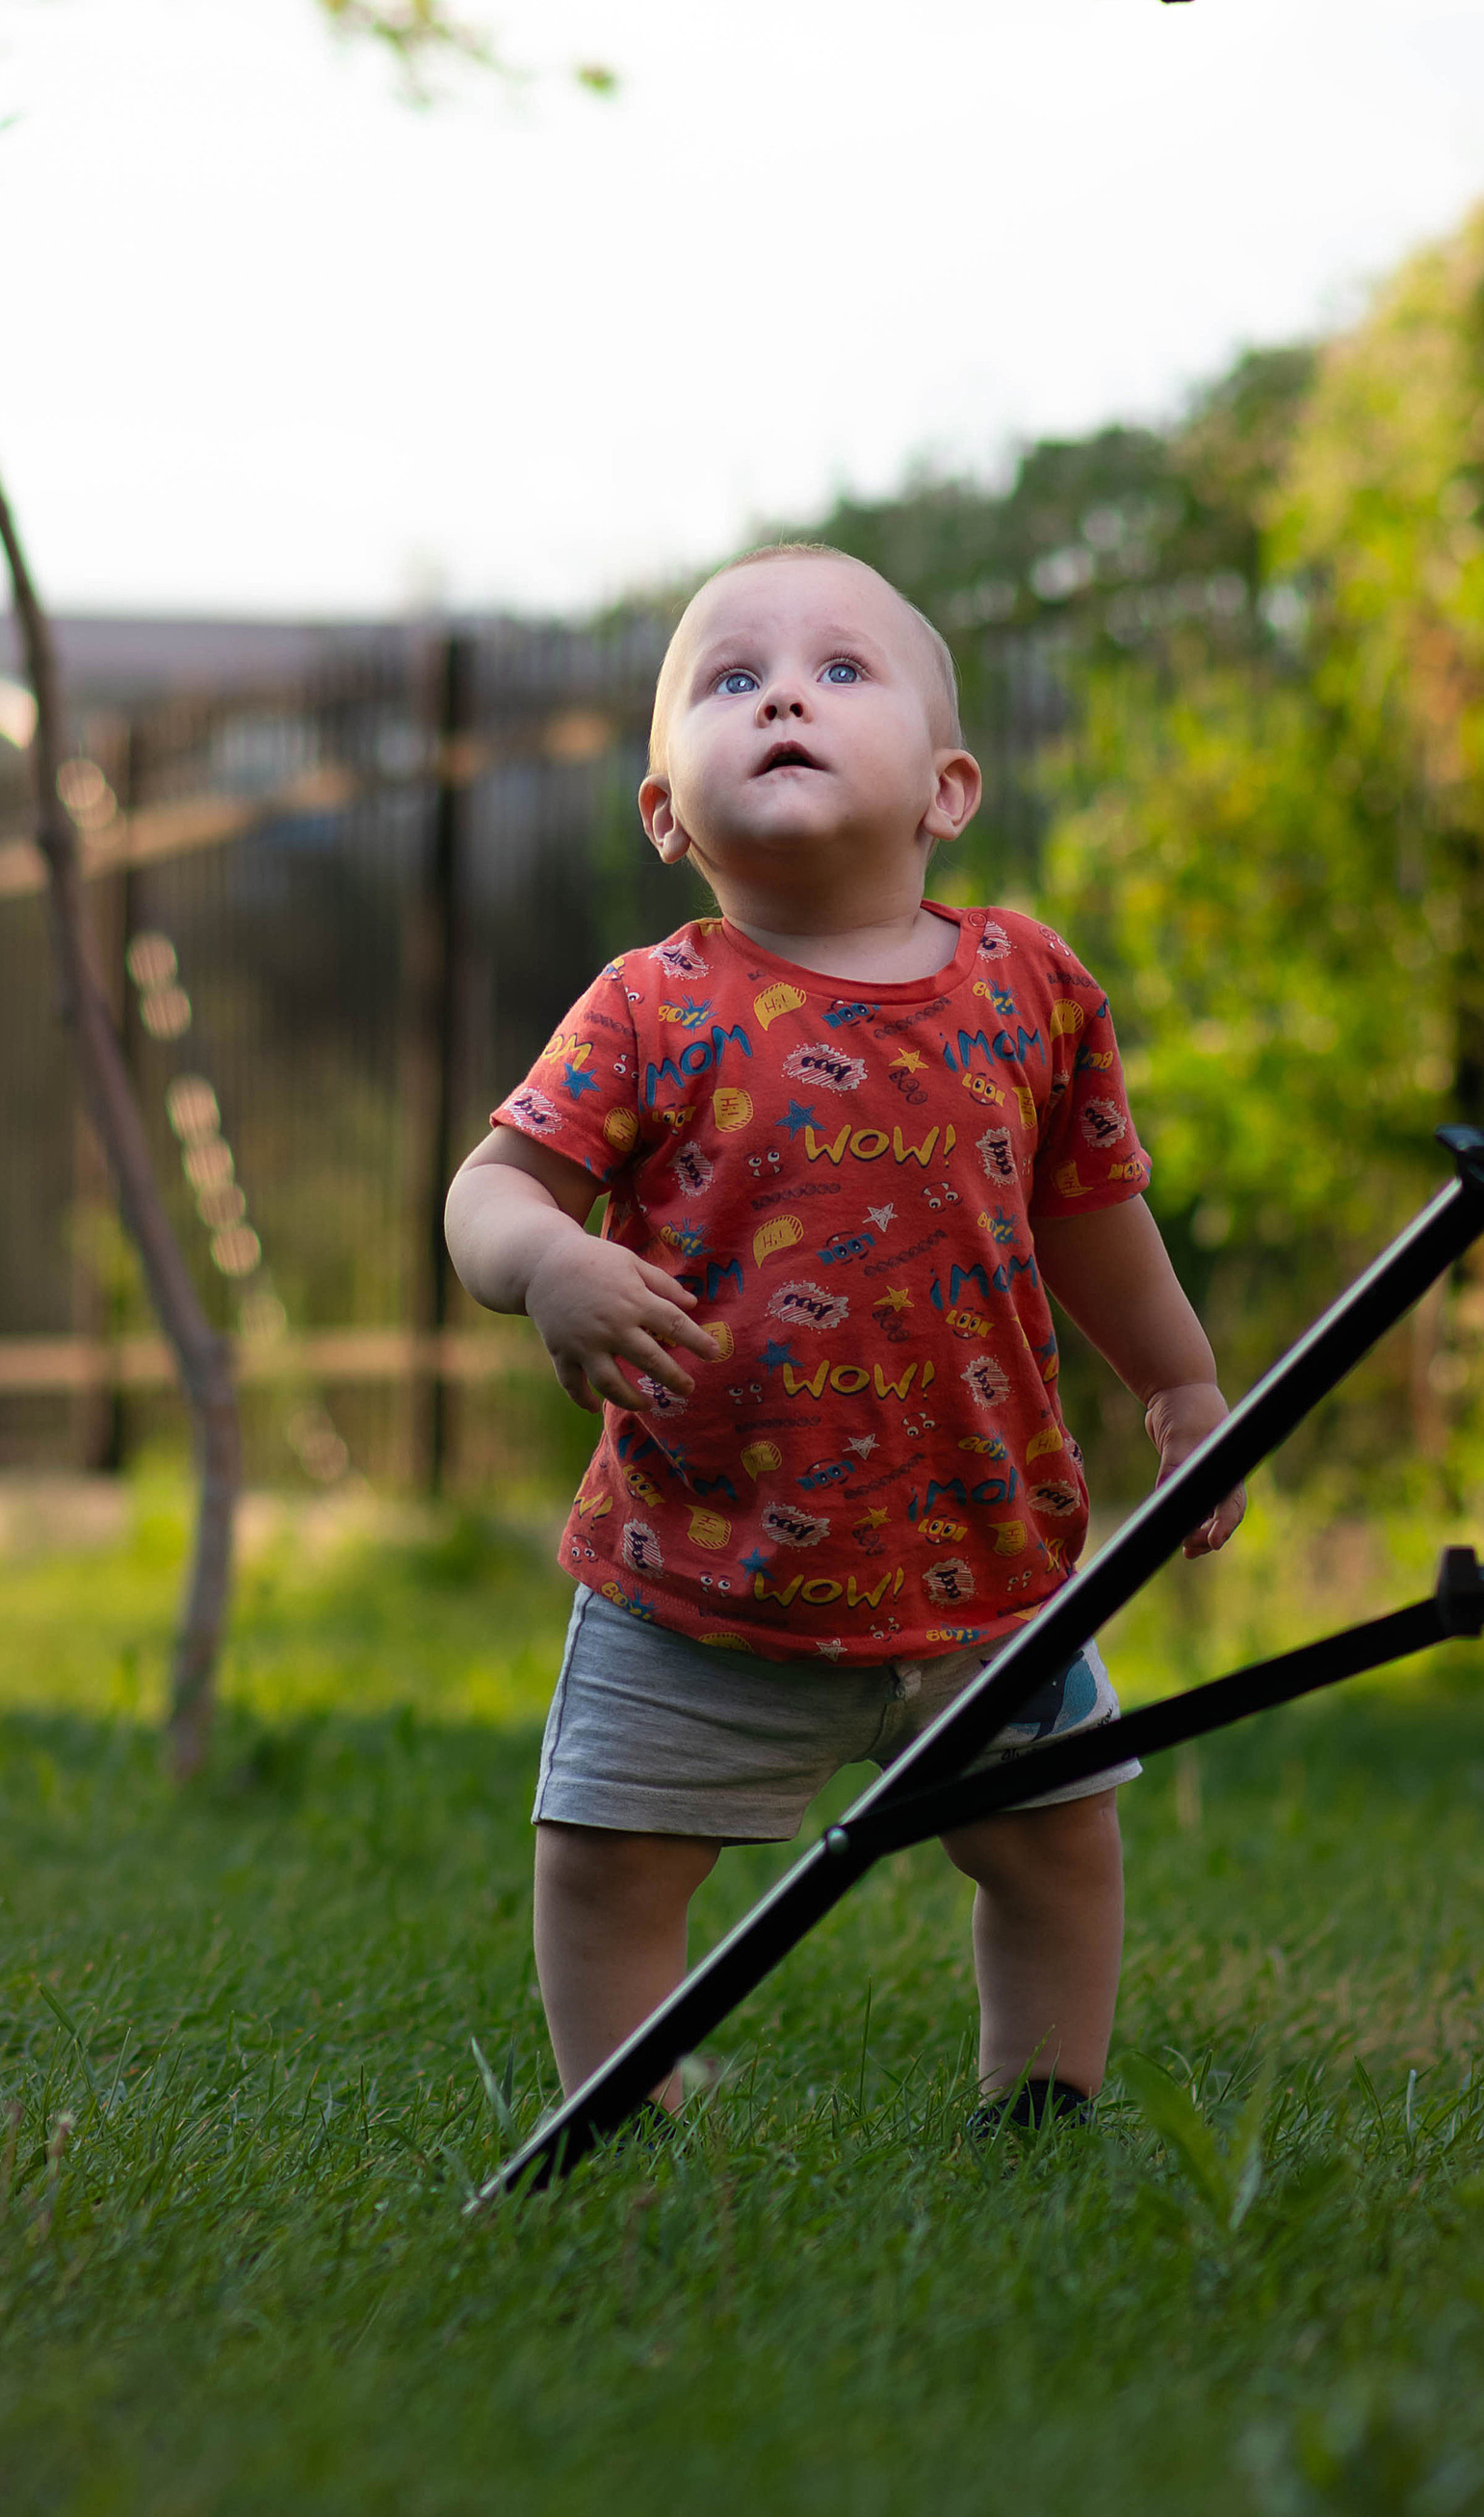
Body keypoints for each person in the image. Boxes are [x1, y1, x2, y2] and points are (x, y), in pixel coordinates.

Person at [443, 543, 1242, 2129]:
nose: (786, 694)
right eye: (732, 681)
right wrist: (545, 1266)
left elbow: (1090, 1210)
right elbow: (490, 1188)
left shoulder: (1029, 988)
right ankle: (629, 2107)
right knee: (607, 1868)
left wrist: (1182, 1382)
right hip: (706, 1568)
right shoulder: (651, 1006)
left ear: (949, 790)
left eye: (839, 671)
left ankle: (1042, 2102)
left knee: (1057, 1848)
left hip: (986, 1567)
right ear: (669, 812)